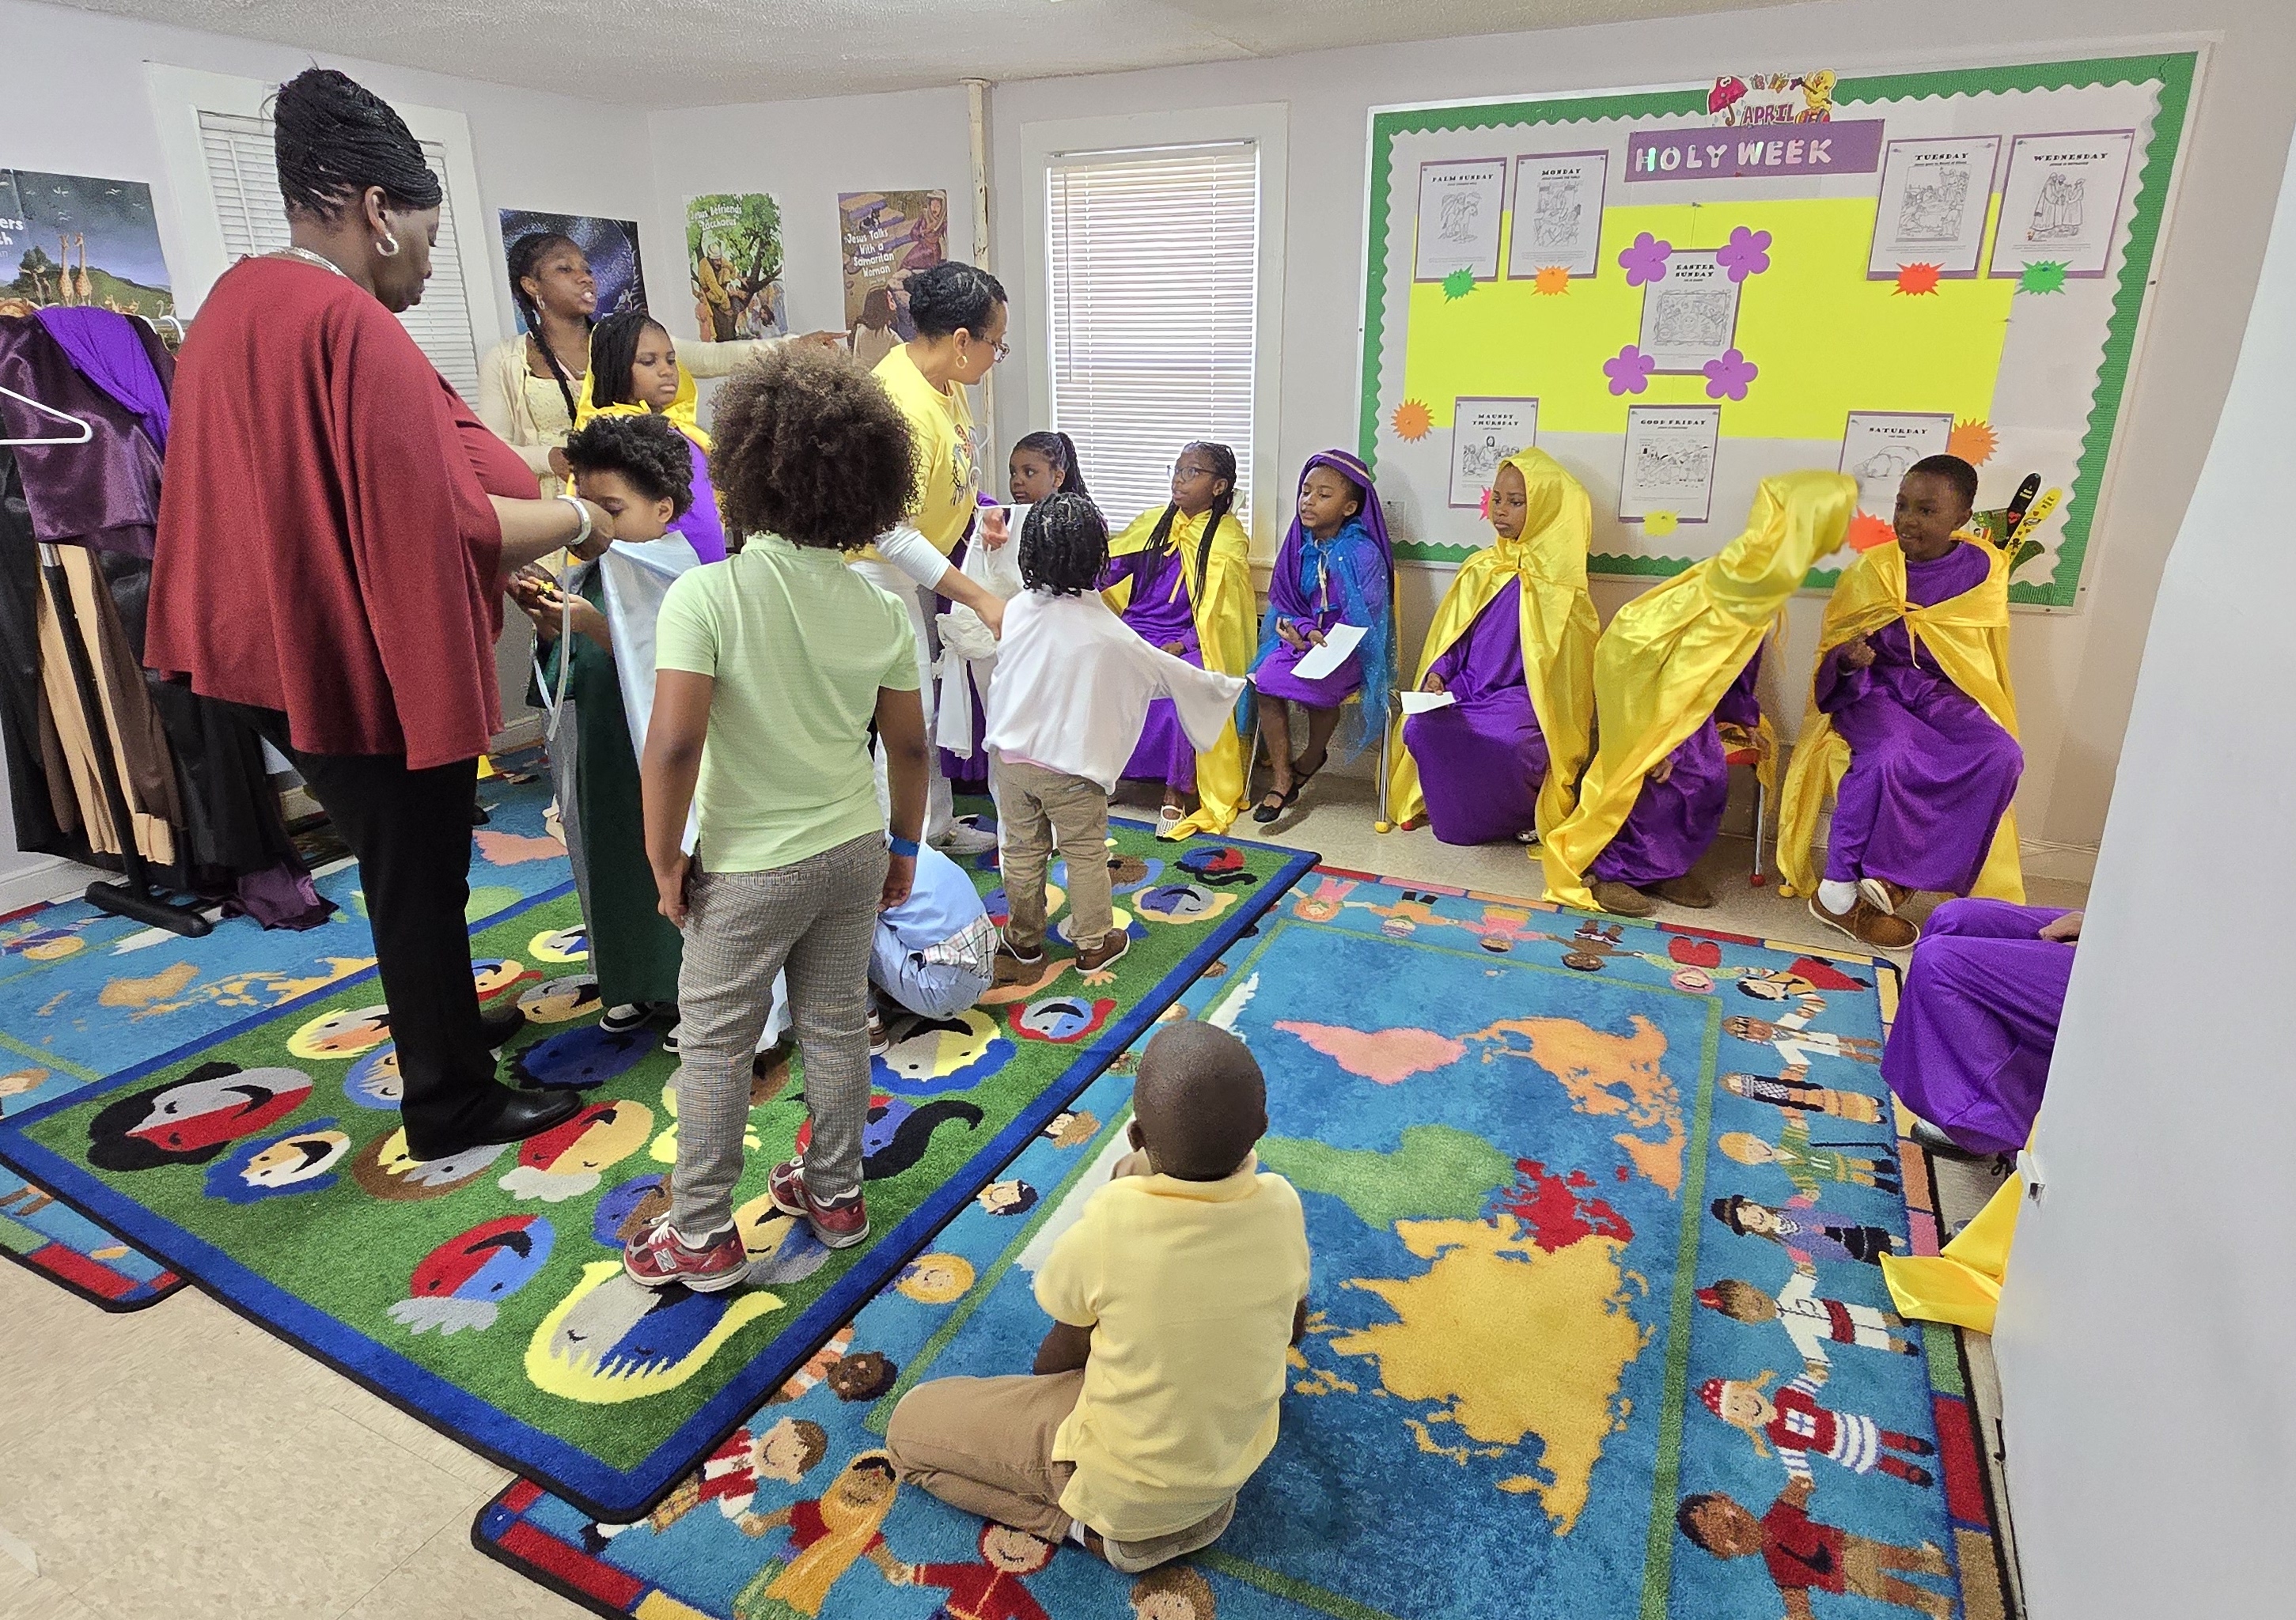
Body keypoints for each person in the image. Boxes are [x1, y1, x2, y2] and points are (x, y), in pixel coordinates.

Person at [146, 67, 614, 1162]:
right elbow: (459, 520)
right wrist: (585, 525)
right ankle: (450, 1102)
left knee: (407, 866)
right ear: (374, 210)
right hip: (338, 656)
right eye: (430, 231)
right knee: (418, 868)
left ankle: (440, 1018)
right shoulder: (346, 325)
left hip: (247, 645)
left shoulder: (236, 300)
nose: (434, 256)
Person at [621, 345, 928, 1290]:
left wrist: (662, 856)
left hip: (749, 864)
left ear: (742, 470)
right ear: (868, 486)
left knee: (716, 1040)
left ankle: (703, 1231)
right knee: (837, 1023)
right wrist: (905, 845)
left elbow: (672, 746)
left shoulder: (707, 594)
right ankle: (835, 1192)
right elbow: (909, 749)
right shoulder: (878, 605)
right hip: (849, 847)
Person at [885, 1021, 1312, 1573]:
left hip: (1128, 1495)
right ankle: (1163, 1512)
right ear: (1261, 1129)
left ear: (1135, 1135)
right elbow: (1293, 1329)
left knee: (909, 1430)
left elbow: (1060, 1353)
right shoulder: (1282, 1204)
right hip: (1227, 1472)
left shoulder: (1111, 1227)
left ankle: (1087, 1528)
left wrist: (1042, 1397)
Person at [1540, 471, 1858, 916]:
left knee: (1705, 776)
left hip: (1686, 706)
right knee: (1662, 772)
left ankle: (1666, 866)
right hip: (1643, 695)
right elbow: (1668, 666)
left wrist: (1744, 718)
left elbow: (1730, 666)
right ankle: (1616, 870)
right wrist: (1656, 743)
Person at [982, 494, 1245, 979]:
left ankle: (1022, 941)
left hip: (1011, 758)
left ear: (1029, 554)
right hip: (1071, 769)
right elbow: (1167, 672)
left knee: (1019, 850)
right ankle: (1094, 943)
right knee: (1085, 854)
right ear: (1097, 558)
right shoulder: (1109, 631)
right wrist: (1223, 687)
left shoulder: (1018, 609)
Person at [1779, 454, 2025, 949]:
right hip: (1873, 689)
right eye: (1902, 505)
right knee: (1892, 754)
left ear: (1961, 518)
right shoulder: (1872, 571)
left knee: (2001, 755)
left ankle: (1901, 880)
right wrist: (1850, 660)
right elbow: (1833, 653)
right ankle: (1841, 888)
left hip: (1937, 694)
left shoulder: (1982, 569)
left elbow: (1975, 652)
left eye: (1927, 511)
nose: (1908, 520)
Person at [507, 415, 691, 1045]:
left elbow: (670, 666)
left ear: (662, 507)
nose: (597, 527)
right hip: (601, 743)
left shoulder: (672, 568)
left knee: (667, 853)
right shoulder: (592, 561)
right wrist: (553, 618)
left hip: (655, 746)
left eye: (612, 510)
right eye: (585, 510)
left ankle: (683, 987)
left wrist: (588, 625)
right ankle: (629, 980)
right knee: (605, 853)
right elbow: (570, 663)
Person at [862, 260, 1016, 855]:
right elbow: (890, 532)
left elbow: (951, 473)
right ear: (960, 343)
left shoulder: (944, 382)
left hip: (921, 563)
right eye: (995, 344)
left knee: (923, 708)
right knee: (907, 719)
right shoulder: (896, 406)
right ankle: (899, 850)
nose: (995, 355)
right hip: (877, 571)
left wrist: (982, 509)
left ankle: (934, 827)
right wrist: (979, 597)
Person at [1387, 449, 1597, 846]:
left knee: (1513, 744)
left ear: (1548, 510)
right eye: (1496, 499)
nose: (1500, 511)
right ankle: (1457, 812)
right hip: (1466, 686)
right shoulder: (1482, 568)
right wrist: (1437, 674)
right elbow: (1454, 637)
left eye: (1516, 503)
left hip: (1522, 698)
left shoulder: (1563, 588)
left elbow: (1566, 680)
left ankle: (1517, 815)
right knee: (1421, 727)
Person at [1100, 443, 1256, 837]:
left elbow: (1221, 616)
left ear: (1219, 486)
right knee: (1097, 673)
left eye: (1193, 472)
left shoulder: (1228, 540)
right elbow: (1111, 568)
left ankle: (1176, 791)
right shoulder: (1152, 524)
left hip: (1191, 640)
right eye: (1178, 470)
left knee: (1185, 688)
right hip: (1136, 630)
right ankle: (1106, 774)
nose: (1180, 479)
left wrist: (1183, 645)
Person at [1248, 450, 1395, 822]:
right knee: (1265, 680)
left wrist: (1326, 641)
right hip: (1304, 641)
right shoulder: (1299, 546)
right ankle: (1282, 776)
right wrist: (1303, 631)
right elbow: (1285, 600)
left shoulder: (1363, 554)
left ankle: (1312, 755)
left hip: (1348, 649)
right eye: (1305, 491)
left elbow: (1366, 617)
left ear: (1349, 508)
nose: (1309, 500)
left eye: (1323, 495)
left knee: (1320, 683)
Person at [1884, 900, 2079, 1158]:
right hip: (2122, 935)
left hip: (2134, 976)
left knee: (1939, 963)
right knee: (1953, 918)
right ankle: (1960, 1103)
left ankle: (2010, 1126)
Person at [1677, 1478, 1956, 1618]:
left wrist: (1801, 1483)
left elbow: (1797, 1492)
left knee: (1892, 1557)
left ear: (1726, 1499)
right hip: (1837, 1574)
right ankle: (1935, 1603)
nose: (1728, 1526)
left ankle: (1931, 1565)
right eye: (1720, 1536)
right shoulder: (1779, 1567)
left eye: (1719, 1515)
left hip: (1842, 1545)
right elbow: (1795, 1596)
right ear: (1724, 1552)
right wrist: (1799, 1615)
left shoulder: (1778, 1518)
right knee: (1887, 1588)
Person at [477, 231, 595, 489]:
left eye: (586, 269)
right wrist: (547, 458)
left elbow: (699, 358)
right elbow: (491, 450)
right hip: (550, 508)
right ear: (532, 286)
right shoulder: (505, 358)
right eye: (565, 269)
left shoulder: (620, 344)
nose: (585, 278)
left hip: (622, 504)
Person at [870, 843, 997, 1038]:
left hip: (941, 992)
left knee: (836, 924)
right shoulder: (906, 842)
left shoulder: (859, 864)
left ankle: (869, 1025)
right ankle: (904, 992)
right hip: (981, 970)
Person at [1008, 430, 1089, 505]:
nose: (1017, 481)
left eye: (1029, 472)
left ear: (1058, 478)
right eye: (1013, 473)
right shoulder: (1003, 517)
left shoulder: (1074, 519)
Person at [850, 284, 899, 370]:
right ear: (882, 306)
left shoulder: (860, 329)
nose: (895, 306)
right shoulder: (890, 336)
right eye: (891, 300)